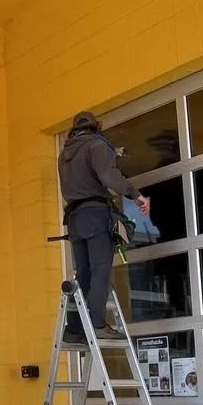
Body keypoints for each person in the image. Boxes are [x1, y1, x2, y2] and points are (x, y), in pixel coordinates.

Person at [58, 111, 147, 341]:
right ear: (95, 126)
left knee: (84, 274)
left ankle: (75, 329)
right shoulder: (96, 145)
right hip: (95, 215)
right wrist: (134, 194)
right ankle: (97, 324)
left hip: (75, 220)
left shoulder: (65, 153)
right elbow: (109, 177)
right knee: (100, 270)